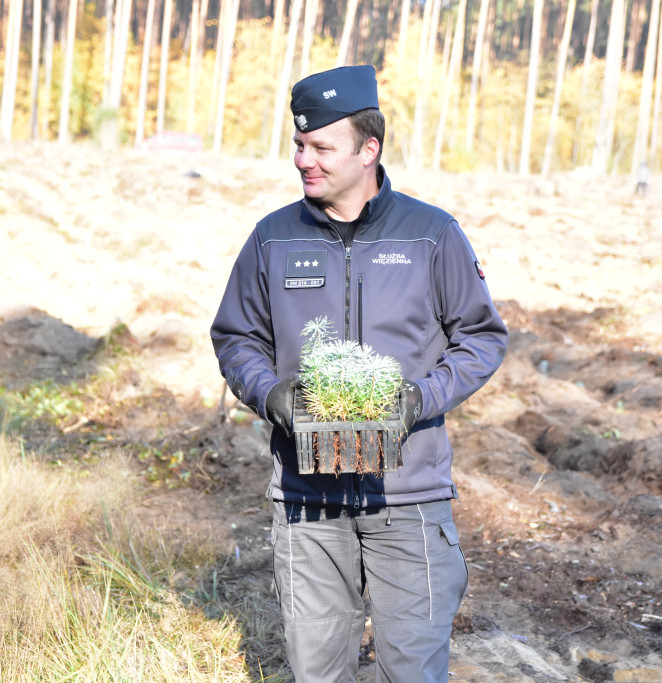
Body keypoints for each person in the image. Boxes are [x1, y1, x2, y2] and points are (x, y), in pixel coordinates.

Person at [210, 65, 508, 683]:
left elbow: (480, 337)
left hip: (410, 498)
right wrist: (271, 394)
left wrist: (418, 399)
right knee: (318, 671)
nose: (302, 160)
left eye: (321, 146)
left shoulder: (431, 235)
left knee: (411, 671)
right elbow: (236, 336)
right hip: (306, 501)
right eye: (298, 145)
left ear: (368, 149)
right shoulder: (272, 239)